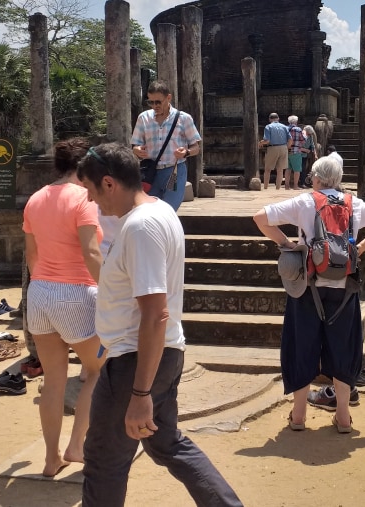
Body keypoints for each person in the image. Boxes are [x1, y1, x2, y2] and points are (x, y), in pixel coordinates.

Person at [77, 143, 242, 506]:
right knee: (166, 443)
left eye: (90, 192)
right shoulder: (161, 211)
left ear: (108, 184)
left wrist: (139, 395)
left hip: (136, 360)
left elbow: (154, 313)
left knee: (104, 460)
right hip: (157, 353)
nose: (91, 203)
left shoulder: (140, 227)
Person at [253, 156, 365, 433]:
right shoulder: (354, 204)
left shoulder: (305, 202)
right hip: (344, 290)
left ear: (316, 178)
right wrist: (361, 248)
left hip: (307, 287)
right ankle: (343, 416)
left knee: (301, 346)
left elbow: (260, 218)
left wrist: (288, 244)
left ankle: (298, 416)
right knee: (343, 349)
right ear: (339, 179)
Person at [22, 138, 105, 477]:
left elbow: (31, 256)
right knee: (98, 371)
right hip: (76, 292)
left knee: (53, 380)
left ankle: (50, 457)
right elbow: (91, 252)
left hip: (39, 292)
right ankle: (76, 445)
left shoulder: (34, 198)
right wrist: (111, 291)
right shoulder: (83, 199)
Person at [131, 80, 202, 211]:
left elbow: (196, 147)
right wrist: (137, 150)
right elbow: (136, 145)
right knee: (149, 210)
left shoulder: (184, 118)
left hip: (174, 171)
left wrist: (186, 152)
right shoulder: (143, 118)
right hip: (150, 172)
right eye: (150, 102)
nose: (154, 105)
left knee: (169, 210)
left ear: (168, 97)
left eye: (158, 102)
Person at [258, 112, 290, 190]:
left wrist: (260, 143)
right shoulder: (285, 127)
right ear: (278, 119)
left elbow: (267, 141)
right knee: (280, 170)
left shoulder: (268, 127)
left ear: (270, 119)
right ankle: (278, 188)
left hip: (273, 148)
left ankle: (265, 187)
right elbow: (291, 139)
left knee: (268, 169)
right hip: (283, 147)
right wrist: (287, 148)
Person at [285, 115, 305, 190]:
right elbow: (303, 140)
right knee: (297, 170)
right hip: (296, 151)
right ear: (296, 122)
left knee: (288, 169)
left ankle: (287, 186)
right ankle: (295, 186)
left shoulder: (286, 128)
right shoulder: (298, 129)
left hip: (286, 151)